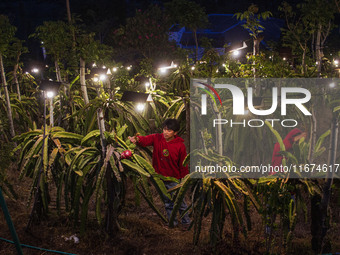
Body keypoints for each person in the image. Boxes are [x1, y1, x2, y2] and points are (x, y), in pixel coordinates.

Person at [128, 119, 190, 228]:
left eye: (169, 130)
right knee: (167, 203)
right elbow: (146, 140)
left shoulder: (180, 146)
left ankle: (186, 223)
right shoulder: (157, 138)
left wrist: (184, 180)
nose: (165, 132)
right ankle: (173, 223)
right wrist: (136, 139)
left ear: (175, 133)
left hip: (173, 179)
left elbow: (183, 164)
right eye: (164, 129)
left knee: (180, 202)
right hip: (159, 178)